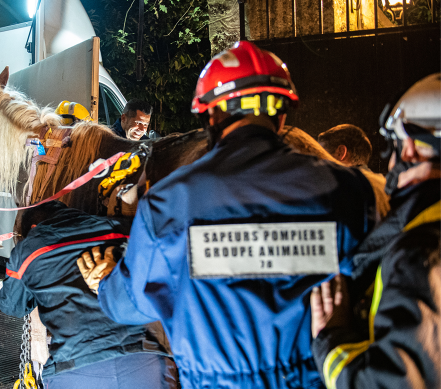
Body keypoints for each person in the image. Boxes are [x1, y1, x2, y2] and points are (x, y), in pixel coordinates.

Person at [77, 41, 376, 388]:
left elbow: (129, 306)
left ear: (210, 117)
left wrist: (110, 282)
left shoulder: (167, 203)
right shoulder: (350, 191)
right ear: (281, 115)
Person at [310, 73, 441, 388]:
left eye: (392, 147)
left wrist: (332, 342)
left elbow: (392, 382)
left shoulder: (420, 252)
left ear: (409, 149)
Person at [0, 201, 179, 389]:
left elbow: (11, 305)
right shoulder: (122, 229)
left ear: (33, 228)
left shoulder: (28, 250)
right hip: (143, 359)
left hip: (75, 368)